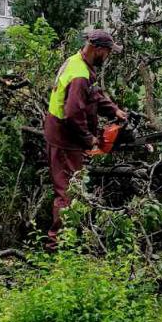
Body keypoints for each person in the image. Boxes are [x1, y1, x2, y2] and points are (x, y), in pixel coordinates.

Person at [43, 29, 127, 250]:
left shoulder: (77, 62)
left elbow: (94, 95)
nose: (108, 57)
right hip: (64, 137)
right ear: (98, 49)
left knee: (72, 187)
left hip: (63, 133)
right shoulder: (80, 76)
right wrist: (90, 139)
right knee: (68, 191)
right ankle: (57, 245)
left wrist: (114, 111)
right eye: (108, 52)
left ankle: (67, 237)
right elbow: (73, 114)